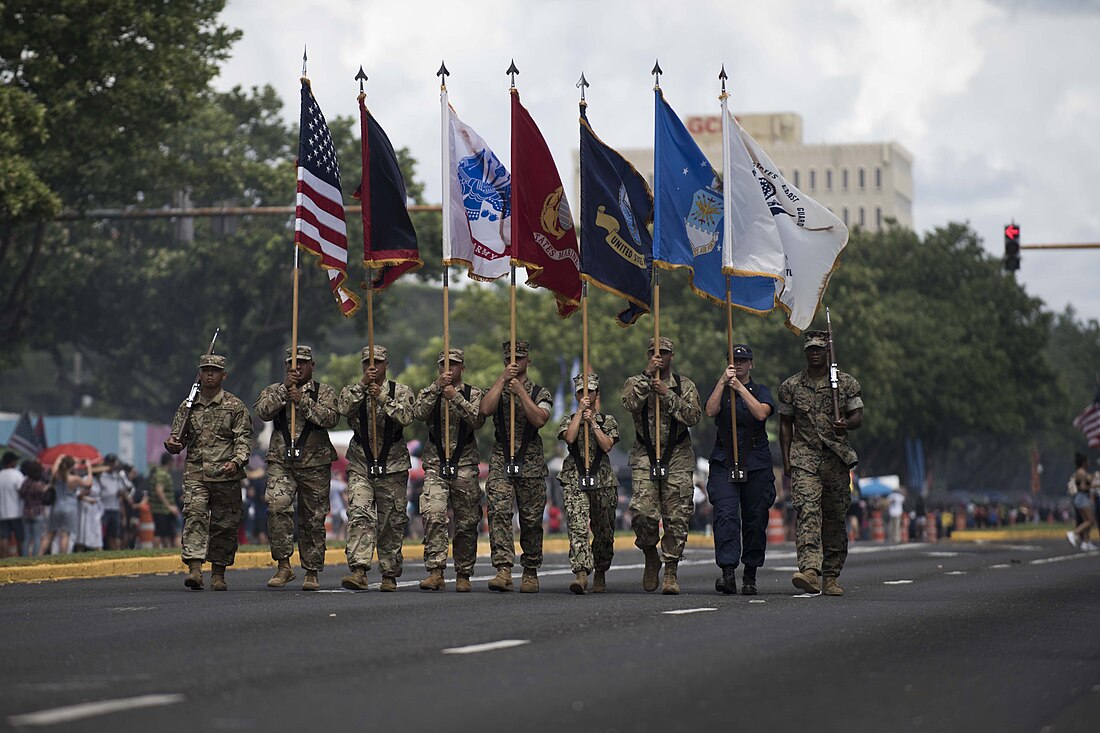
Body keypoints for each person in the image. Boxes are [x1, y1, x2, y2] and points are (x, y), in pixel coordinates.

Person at [778, 329, 864, 596]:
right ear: (805, 353)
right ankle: (809, 570)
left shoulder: (845, 383)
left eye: (819, 349)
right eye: (810, 350)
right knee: (807, 511)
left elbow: (858, 417)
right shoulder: (790, 387)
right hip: (805, 457)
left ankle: (831, 574)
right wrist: (787, 460)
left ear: (827, 352)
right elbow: (785, 426)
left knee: (835, 517)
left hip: (836, 458)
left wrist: (845, 423)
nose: (815, 353)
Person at [165, 353, 254, 591]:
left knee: (225, 525)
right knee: (194, 515)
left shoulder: (235, 406)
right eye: (205, 370)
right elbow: (177, 437)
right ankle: (194, 569)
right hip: (196, 473)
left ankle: (218, 572)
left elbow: (244, 440)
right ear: (199, 374)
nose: (209, 374)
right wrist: (172, 444)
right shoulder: (188, 405)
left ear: (224, 375)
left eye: (214, 370)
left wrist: (237, 462)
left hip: (226, 475)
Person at [253, 345, 339, 591]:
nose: (297, 367)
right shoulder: (274, 390)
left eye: (302, 362)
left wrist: (303, 401)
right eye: (292, 363)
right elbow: (262, 412)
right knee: (277, 507)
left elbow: (331, 419)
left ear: (312, 365)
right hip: (282, 461)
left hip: (315, 463)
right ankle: (283, 565)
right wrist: (284, 392)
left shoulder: (323, 392)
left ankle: (311, 571)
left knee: (313, 517)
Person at [622, 336, 702, 595]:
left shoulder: (684, 385)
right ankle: (649, 553)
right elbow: (630, 404)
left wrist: (667, 394)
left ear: (671, 356)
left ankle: (670, 571)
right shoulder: (636, 382)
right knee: (643, 513)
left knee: (677, 517)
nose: (660, 357)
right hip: (646, 453)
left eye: (664, 352)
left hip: (677, 455)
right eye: (655, 353)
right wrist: (647, 379)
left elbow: (693, 416)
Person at [336, 345, 415, 592]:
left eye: (378, 362)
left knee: (391, 519)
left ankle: (389, 573)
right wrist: (362, 387)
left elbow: (407, 417)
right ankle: (359, 570)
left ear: (386, 365)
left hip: (392, 464)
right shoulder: (353, 391)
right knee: (360, 513)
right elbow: (342, 409)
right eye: (368, 363)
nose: (373, 367)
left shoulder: (400, 391)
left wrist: (381, 396)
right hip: (361, 462)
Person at [479, 339, 553, 593]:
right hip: (502, 456)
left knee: (531, 519)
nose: (514, 362)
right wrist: (502, 381)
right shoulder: (497, 388)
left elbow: (540, 419)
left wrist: (521, 392)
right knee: (498, 511)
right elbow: (485, 409)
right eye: (509, 358)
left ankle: (530, 570)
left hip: (530, 459)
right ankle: (503, 569)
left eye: (518, 358)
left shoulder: (539, 393)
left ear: (527, 361)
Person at [703, 344, 777, 596]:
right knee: (725, 515)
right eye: (735, 360)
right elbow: (710, 411)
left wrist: (741, 389)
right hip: (725, 459)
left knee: (755, 519)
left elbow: (760, 413)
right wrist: (723, 382)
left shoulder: (760, 391)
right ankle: (727, 571)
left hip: (755, 461)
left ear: (751, 364)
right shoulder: (723, 389)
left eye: (744, 360)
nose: (740, 364)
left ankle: (750, 574)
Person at [411, 348, 486, 592]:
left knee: (466, 521)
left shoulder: (473, 393)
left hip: (464, 463)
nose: (448, 369)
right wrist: (437, 389)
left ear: (462, 368)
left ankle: (464, 572)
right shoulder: (429, 392)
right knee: (433, 513)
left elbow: (478, 420)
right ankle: (435, 570)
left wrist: (455, 396)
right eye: (443, 365)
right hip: (435, 463)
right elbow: (418, 413)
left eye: (453, 365)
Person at [557, 372, 619, 594]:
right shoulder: (568, 419)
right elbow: (570, 438)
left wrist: (593, 422)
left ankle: (600, 571)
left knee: (603, 530)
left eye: (589, 391)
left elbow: (607, 445)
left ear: (597, 394)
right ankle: (581, 573)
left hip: (602, 480)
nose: (586, 395)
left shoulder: (607, 421)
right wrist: (579, 416)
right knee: (578, 526)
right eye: (581, 392)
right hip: (575, 477)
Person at [39, 455, 92, 555]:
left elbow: (56, 463)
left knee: (50, 534)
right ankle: (62, 557)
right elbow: (88, 484)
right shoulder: (74, 479)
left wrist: (62, 456)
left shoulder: (56, 475)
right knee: (65, 534)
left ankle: (39, 556)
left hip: (56, 507)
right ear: (71, 466)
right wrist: (88, 468)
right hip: (70, 508)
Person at [95, 454, 133, 550]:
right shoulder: (102, 476)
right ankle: (101, 549)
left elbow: (124, 489)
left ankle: (113, 549)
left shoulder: (117, 476)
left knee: (114, 533)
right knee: (102, 532)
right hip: (104, 508)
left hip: (115, 508)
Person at [148, 452, 180, 548]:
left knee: (165, 533)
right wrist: (169, 507)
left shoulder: (162, 473)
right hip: (161, 510)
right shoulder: (161, 473)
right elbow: (159, 490)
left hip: (163, 510)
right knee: (159, 533)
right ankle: (156, 552)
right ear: (170, 462)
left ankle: (166, 550)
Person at [18, 460, 49, 556]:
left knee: (26, 538)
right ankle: (35, 557)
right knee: (37, 537)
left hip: (26, 512)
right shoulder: (38, 484)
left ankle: (25, 557)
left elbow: (21, 494)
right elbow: (44, 492)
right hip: (37, 512)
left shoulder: (25, 483)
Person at [1067, 452, 1095, 550]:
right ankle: (1074, 533)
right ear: (1084, 462)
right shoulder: (1082, 472)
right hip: (1082, 498)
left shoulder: (1081, 471)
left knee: (1087, 520)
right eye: (1087, 460)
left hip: (1081, 498)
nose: (1089, 462)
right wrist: (1095, 485)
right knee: (1090, 521)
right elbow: (1083, 487)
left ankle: (1086, 542)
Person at [74, 463, 103, 552]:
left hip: (95, 509)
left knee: (96, 532)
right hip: (85, 509)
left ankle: (98, 550)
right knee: (83, 532)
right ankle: (80, 551)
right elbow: (77, 494)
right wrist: (87, 498)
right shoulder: (85, 479)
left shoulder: (98, 481)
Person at [0, 452, 25, 557]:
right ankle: (21, 557)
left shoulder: (0, 475)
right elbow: (23, 491)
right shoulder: (17, 474)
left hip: (2, 512)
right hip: (16, 511)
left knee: (4, 537)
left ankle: (4, 558)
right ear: (12, 462)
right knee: (19, 537)